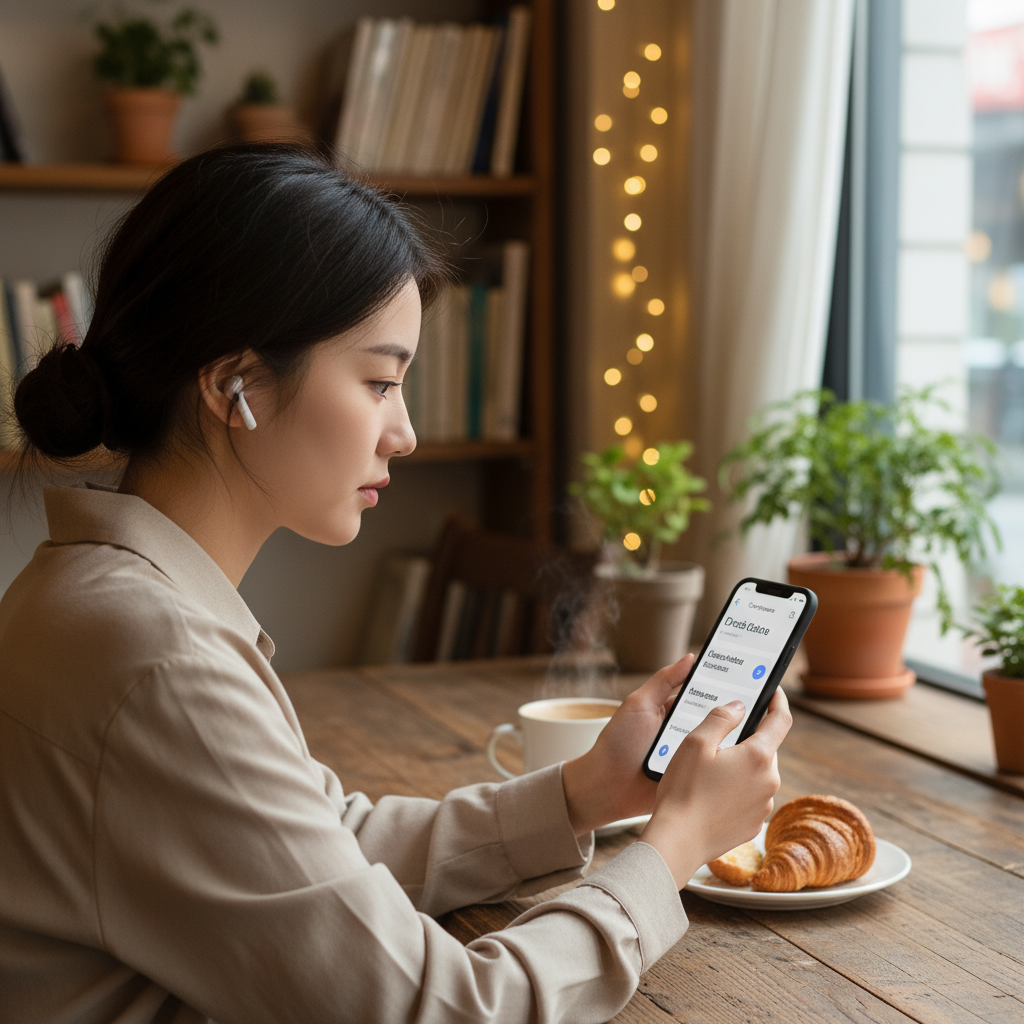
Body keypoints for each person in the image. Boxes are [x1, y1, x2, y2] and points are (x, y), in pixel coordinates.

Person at [0, 145, 791, 1024]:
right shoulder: (156, 659)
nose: (405, 433)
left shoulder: (89, 601)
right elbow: (444, 1010)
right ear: (236, 386)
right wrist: (673, 848)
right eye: (379, 381)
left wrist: (584, 793)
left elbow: (314, 846)